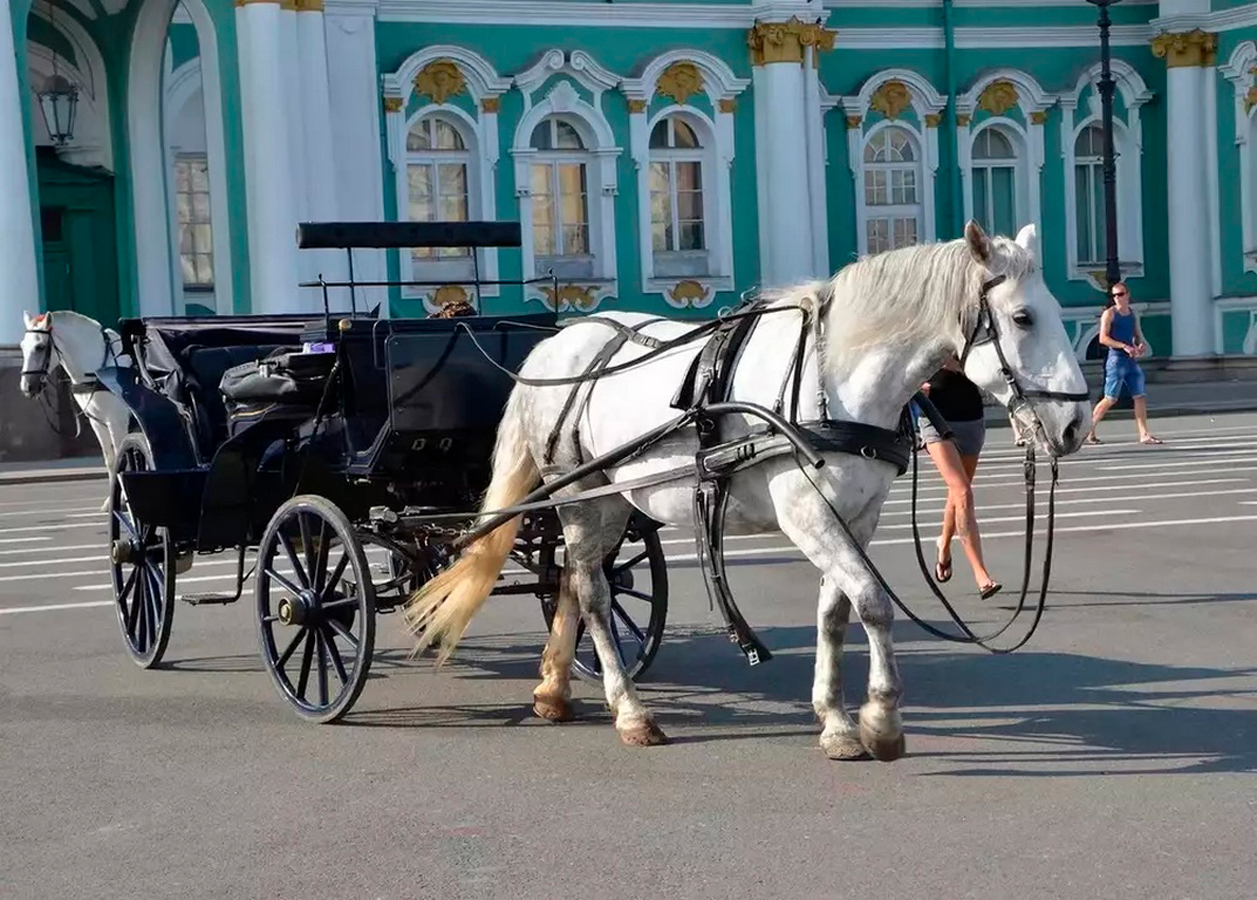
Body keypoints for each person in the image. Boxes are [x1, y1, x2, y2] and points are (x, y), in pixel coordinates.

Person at [910, 358, 1002, 600]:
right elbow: (901, 374)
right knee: (962, 491)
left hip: (972, 419)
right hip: (935, 421)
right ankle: (982, 575)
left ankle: (944, 544)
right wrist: (917, 387)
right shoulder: (927, 334)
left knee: (959, 492)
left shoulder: (970, 339)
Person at [1085, 281, 1162, 445]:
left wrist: (1139, 345)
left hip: (1130, 360)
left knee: (1139, 396)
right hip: (1116, 360)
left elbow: (1136, 334)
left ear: (1127, 295)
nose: (1117, 298)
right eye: (1114, 295)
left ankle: (1144, 434)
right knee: (1111, 398)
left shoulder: (1131, 313)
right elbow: (1103, 338)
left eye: (1120, 294)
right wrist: (1123, 346)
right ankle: (1089, 429)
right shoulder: (1110, 314)